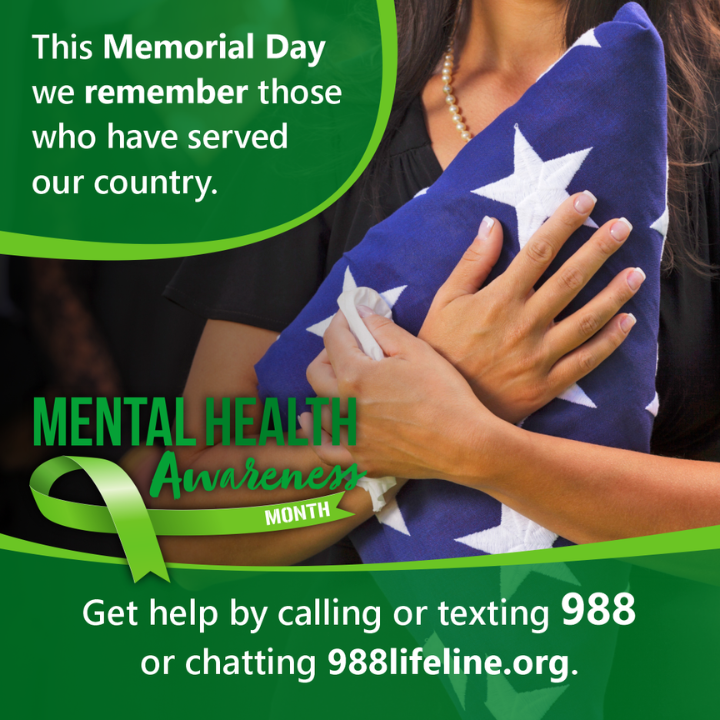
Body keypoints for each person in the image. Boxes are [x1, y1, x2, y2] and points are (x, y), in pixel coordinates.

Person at [161, 0, 720, 565]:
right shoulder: (323, 123)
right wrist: (416, 415)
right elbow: (185, 528)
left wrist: (475, 444)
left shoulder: (708, 117)